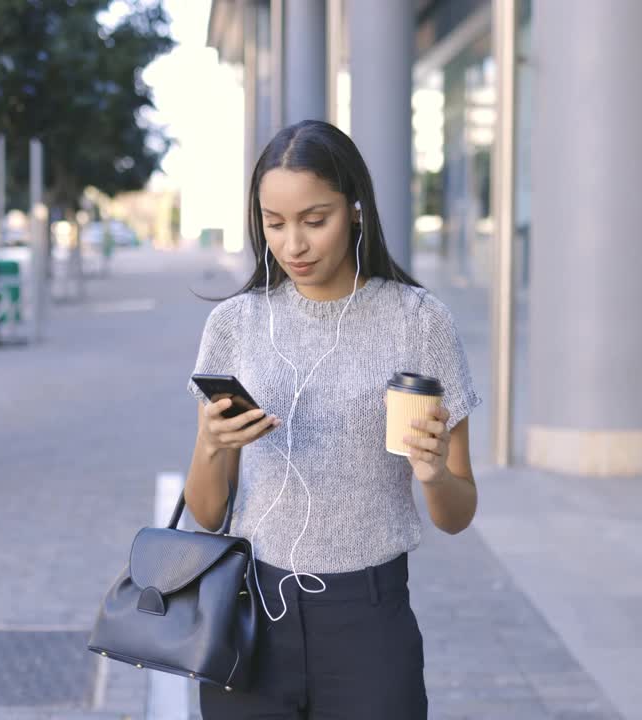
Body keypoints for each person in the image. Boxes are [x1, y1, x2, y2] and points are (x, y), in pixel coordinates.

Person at [185, 119, 482, 719]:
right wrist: (214, 448)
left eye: (314, 220)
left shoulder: (418, 321)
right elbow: (207, 511)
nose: (294, 244)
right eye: (275, 224)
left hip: (369, 623)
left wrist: (432, 474)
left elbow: (457, 513)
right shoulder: (235, 325)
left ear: (355, 209)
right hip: (249, 617)